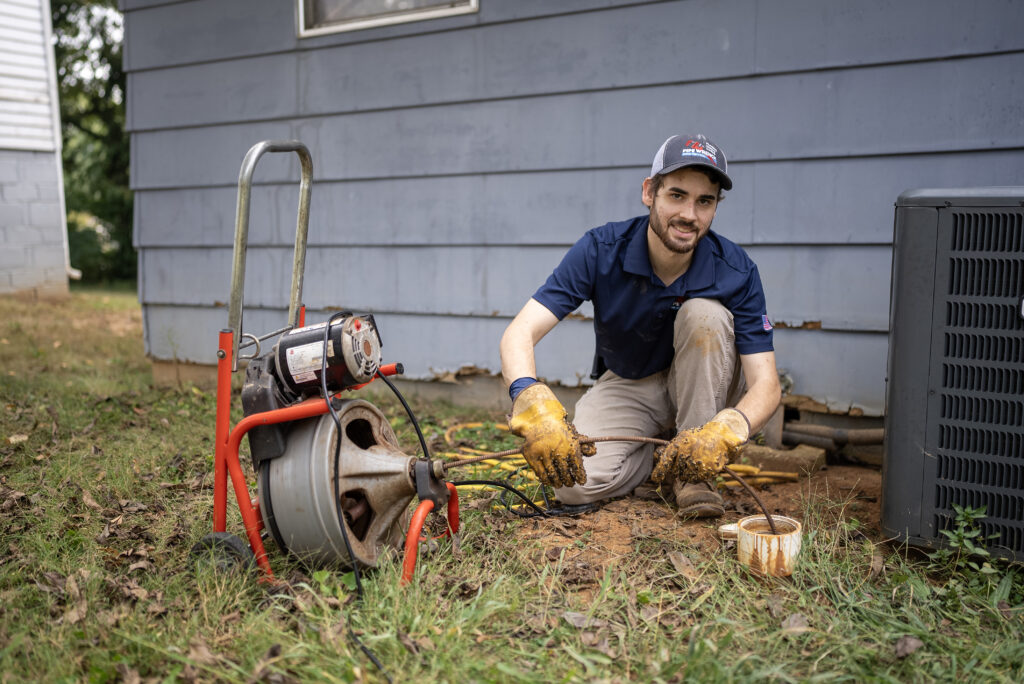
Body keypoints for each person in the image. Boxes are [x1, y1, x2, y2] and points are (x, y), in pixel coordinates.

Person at [499, 134, 781, 517]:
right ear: (649, 192)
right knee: (574, 488)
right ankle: (658, 458)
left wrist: (727, 429)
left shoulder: (736, 270)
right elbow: (520, 332)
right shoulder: (601, 249)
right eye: (677, 195)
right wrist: (530, 400)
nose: (689, 215)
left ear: (716, 207)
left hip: (705, 387)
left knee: (705, 315)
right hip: (631, 382)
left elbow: (766, 385)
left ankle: (693, 475)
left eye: (705, 201)